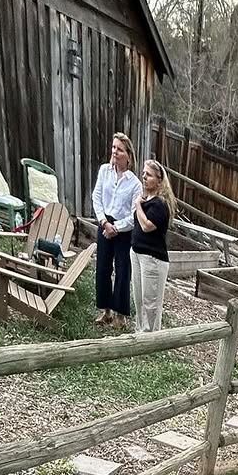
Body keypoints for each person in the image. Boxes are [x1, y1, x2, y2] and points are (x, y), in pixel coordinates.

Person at [91, 132, 141, 328]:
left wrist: (116, 228)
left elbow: (134, 216)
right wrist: (104, 223)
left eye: (119, 149)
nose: (114, 152)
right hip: (105, 224)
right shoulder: (104, 171)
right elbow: (96, 198)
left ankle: (120, 316)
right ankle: (106, 311)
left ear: (128, 155)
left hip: (123, 231)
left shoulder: (135, 184)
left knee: (122, 270)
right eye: (113, 147)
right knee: (103, 268)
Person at [131, 159, 175, 334]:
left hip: (153, 259)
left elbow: (146, 226)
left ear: (159, 181)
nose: (144, 177)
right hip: (137, 253)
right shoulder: (145, 200)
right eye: (143, 173)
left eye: (148, 175)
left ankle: (151, 338)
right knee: (139, 299)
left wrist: (137, 205)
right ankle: (140, 333)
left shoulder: (160, 204)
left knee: (151, 303)